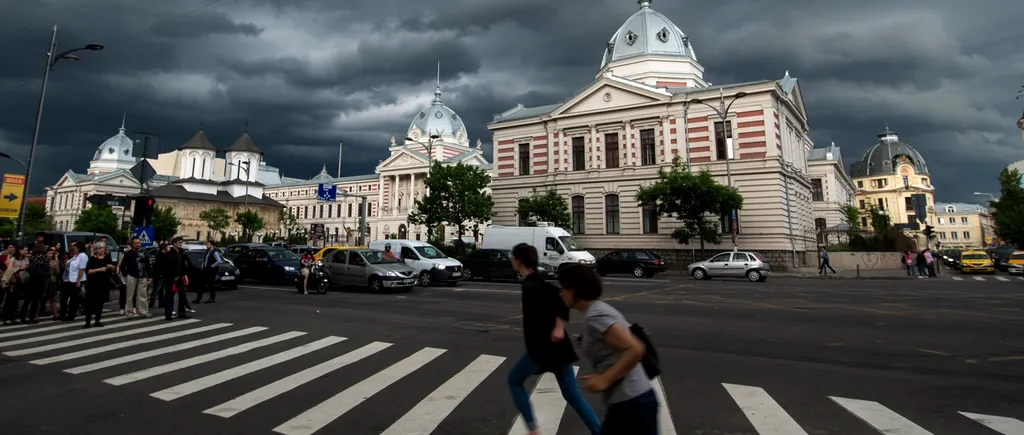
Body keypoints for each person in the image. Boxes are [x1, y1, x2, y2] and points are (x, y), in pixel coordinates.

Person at [507, 243, 601, 435]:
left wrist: (558, 327)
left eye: (512, 257)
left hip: (542, 349)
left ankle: (533, 429)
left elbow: (561, 298)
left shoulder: (532, 283)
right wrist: (558, 327)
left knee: (514, 380)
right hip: (557, 350)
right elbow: (559, 299)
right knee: (572, 396)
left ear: (518, 260)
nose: (511, 260)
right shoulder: (531, 282)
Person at [557, 264, 658, 434]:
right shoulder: (598, 310)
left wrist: (604, 379)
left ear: (573, 290)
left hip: (630, 404)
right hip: (633, 401)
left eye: (563, 288)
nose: (561, 293)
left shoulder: (595, 316)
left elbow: (635, 349)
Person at [83, 243, 116, 328]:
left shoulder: (107, 257)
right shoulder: (92, 259)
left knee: (100, 303)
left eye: (103, 248)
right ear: (96, 249)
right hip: (93, 284)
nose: (102, 249)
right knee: (89, 303)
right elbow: (88, 271)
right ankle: (88, 321)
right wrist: (99, 269)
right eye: (100, 248)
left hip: (103, 283)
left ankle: (97, 320)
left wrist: (111, 267)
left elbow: (112, 269)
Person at [118, 238, 152, 318]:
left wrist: (150, 276)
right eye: (136, 243)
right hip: (132, 276)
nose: (138, 244)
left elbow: (148, 265)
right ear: (132, 244)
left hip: (142, 276)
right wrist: (127, 274)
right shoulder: (128, 254)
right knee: (130, 295)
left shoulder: (144, 253)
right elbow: (122, 266)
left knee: (142, 295)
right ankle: (129, 312)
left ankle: (143, 312)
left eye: (139, 243)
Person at [20, 242, 51, 323]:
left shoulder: (32, 257)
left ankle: (23, 316)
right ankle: (32, 317)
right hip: (41, 281)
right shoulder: (44, 258)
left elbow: (30, 268)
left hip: (32, 279)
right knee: (35, 301)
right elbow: (48, 268)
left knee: (27, 299)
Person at [163, 237, 191, 321]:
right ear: (174, 243)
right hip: (171, 278)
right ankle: (168, 314)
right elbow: (167, 266)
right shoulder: (169, 254)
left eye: (181, 243)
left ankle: (181, 312)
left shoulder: (182, 252)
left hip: (180, 276)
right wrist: (173, 276)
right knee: (169, 296)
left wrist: (185, 274)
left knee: (182, 295)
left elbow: (185, 264)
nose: (181, 244)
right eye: (179, 243)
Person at [2, 245, 30, 325]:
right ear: (20, 251)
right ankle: (6, 317)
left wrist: (22, 268)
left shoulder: (26, 259)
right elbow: (9, 270)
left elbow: (26, 267)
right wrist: (19, 268)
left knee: (16, 300)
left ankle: (13, 317)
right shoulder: (13, 259)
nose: (26, 252)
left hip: (21, 282)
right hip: (13, 281)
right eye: (25, 250)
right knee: (9, 299)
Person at [61, 242, 88, 321]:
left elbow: (82, 269)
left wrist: (78, 280)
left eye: (74, 247)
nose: (73, 248)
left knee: (73, 298)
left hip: (75, 279)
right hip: (68, 279)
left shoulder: (83, 256)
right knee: (64, 297)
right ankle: (62, 314)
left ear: (78, 248)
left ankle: (71, 315)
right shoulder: (75, 256)